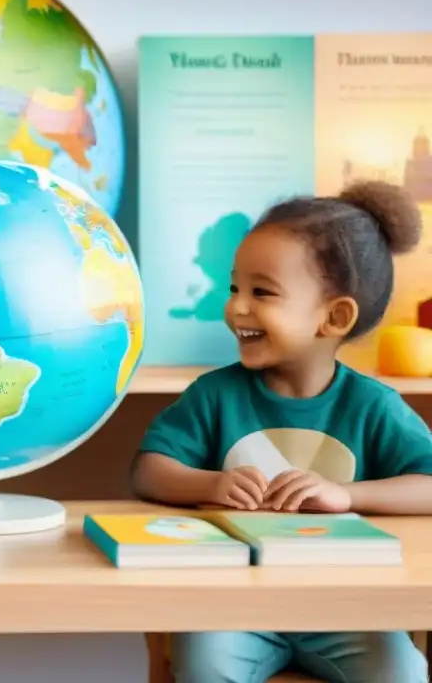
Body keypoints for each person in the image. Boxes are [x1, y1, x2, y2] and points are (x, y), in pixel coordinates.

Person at [131, 180, 432, 683]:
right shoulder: (214, 395)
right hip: (235, 608)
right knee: (203, 666)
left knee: (403, 672)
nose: (236, 307)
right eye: (234, 288)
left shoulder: (374, 406)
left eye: (261, 292)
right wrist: (209, 485)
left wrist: (344, 494)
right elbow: (148, 471)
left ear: (334, 316)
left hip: (345, 608)